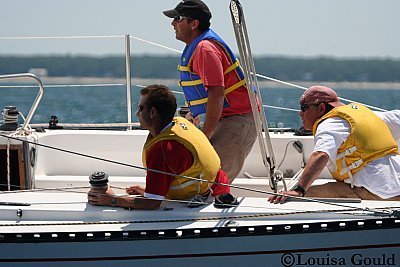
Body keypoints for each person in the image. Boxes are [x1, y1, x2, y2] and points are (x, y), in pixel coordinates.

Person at [88, 84, 230, 210]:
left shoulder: (163, 150)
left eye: (141, 108)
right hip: (216, 190)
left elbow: (152, 203)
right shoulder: (180, 122)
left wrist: (110, 200)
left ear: (153, 113)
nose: (137, 113)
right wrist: (147, 191)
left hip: (206, 202)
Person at [163, 0, 257, 182]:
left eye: (177, 18)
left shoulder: (205, 49)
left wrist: (203, 135)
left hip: (238, 119)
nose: (172, 23)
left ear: (194, 24)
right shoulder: (199, 46)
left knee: (212, 181)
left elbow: (216, 93)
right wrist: (194, 114)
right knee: (202, 176)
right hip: (227, 117)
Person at [269, 85, 400, 203]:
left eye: (304, 108)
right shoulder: (366, 114)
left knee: (296, 197)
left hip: (378, 193)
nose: (300, 113)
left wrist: (299, 190)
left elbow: (321, 155)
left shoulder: (329, 124)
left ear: (321, 108)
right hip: (395, 188)